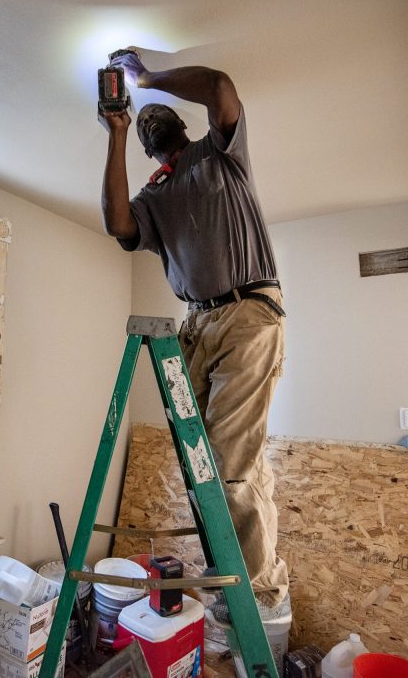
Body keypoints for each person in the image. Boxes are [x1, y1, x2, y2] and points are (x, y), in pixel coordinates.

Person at [98, 49, 290, 622]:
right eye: (144, 120)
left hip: (248, 313)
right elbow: (118, 224)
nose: (152, 119)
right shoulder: (155, 197)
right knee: (202, 463)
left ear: (181, 126)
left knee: (229, 465)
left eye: (161, 113)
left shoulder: (220, 157)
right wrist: (116, 130)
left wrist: (148, 77)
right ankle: (238, 572)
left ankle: (253, 598)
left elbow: (220, 86)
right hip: (195, 325)